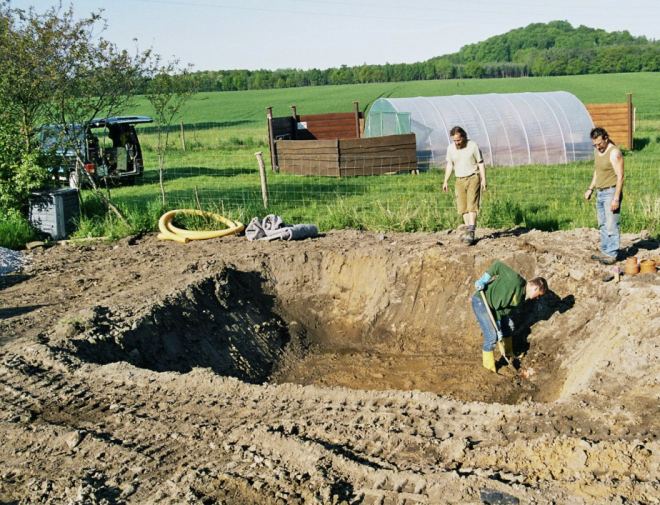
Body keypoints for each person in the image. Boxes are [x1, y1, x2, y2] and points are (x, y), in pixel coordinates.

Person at [471, 260, 548, 373]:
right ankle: (489, 368)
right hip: (481, 301)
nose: (537, 298)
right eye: (538, 295)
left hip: (493, 309)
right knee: (491, 336)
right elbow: (497, 265)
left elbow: (502, 311)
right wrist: (484, 279)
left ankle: (508, 354)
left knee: (509, 326)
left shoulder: (520, 299)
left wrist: (498, 325)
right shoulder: (515, 280)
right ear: (535, 288)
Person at [584, 127, 624, 265]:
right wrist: (590, 188)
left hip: (611, 192)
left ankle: (612, 254)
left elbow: (620, 177)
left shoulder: (614, 153)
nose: (598, 147)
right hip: (600, 192)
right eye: (594, 145)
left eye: (599, 144)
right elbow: (598, 171)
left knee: (611, 224)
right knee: (602, 224)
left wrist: (616, 198)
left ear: (606, 138)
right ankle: (605, 250)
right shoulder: (597, 151)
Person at [443, 126, 486, 245]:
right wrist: (446, 180)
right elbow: (450, 165)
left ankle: (471, 231)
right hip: (459, 179)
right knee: (463, 208)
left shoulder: (473, 146)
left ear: (464, 137)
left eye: (458, 140)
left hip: (473, 177)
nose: (456, 142)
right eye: (454, 140)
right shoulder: (451, 149)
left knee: (472, 204)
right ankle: (468, 230)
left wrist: (483, 179)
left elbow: (480, 163)